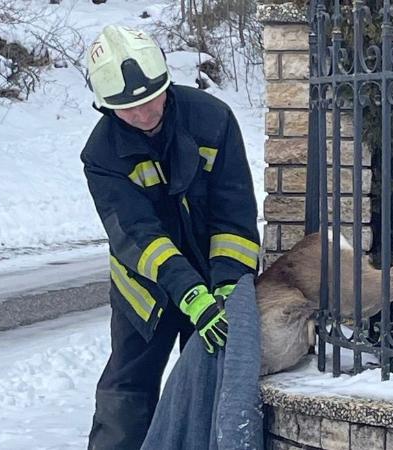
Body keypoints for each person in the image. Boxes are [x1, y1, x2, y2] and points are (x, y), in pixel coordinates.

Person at [80, 25, 260, 449]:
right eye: (128, 109)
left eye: (149, 100)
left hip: (215, 280)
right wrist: (187, 292)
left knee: (208, 382)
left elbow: (234, 215)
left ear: (166, 83)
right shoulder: (101, 154)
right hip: (147, 289)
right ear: (106, 107)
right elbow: (139, 236)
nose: (143, 115)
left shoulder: (212, 120)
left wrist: (228, 287)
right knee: (126, 392)